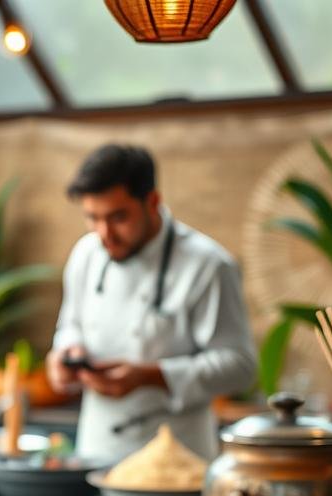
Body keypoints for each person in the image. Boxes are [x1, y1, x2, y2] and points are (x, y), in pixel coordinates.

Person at [46, 144, 256, 465]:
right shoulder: (86, 254)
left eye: (118, 217)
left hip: (179, 460)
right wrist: (66, 354)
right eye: (93, 218)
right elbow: (70, 326)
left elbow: (240, 366)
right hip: (95, 452)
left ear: (153, 201)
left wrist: (152, 376)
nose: (105, 234)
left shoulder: (209, 266)